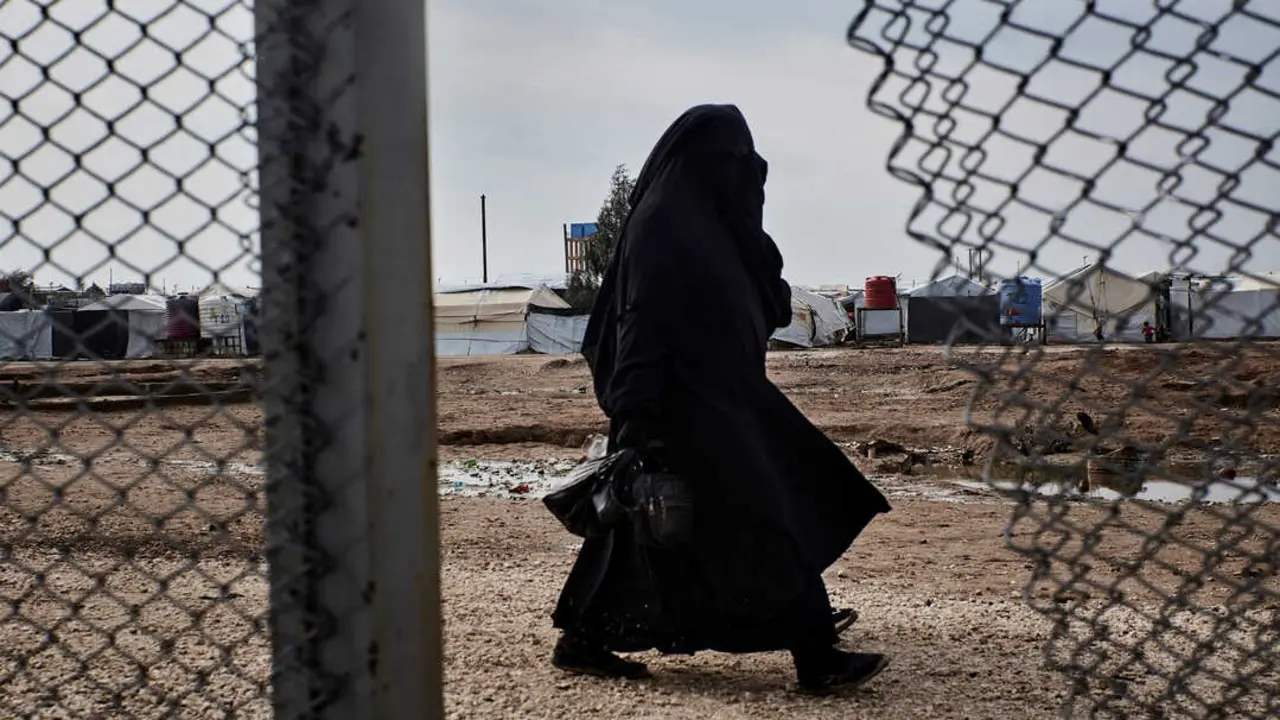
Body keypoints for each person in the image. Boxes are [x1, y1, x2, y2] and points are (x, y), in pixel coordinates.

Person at [550, 104, 892, 694]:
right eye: (731, 159)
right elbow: (640, 322)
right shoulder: (663, 223)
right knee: (764, 514)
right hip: (683, 405)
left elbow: (764, 298)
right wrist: (637, 413)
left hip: (724, 397)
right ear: (700, 161)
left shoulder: (710, 220)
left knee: (646, 527)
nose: (744, 171)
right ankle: (814, 649)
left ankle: (584, 636)